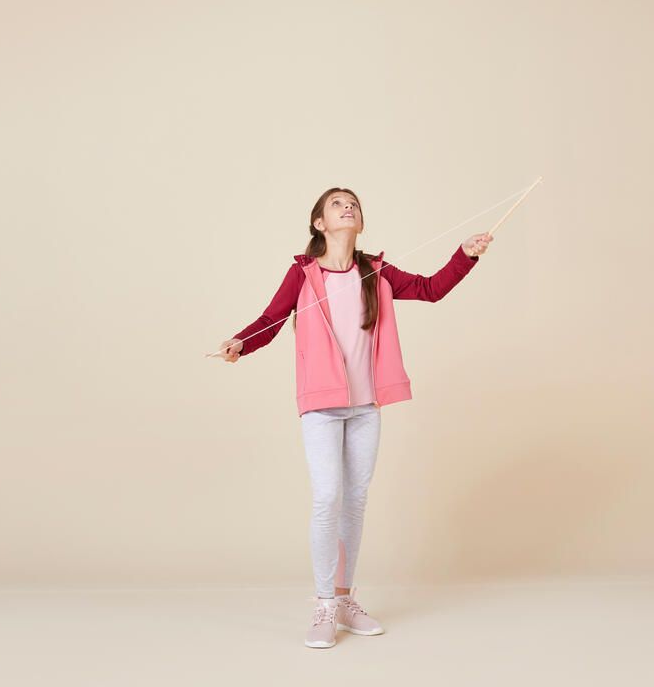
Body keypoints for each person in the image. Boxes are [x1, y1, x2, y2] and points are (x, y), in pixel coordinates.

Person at [210, 187, 492, 648]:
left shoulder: (376, 271)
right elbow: (271, 319)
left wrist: (465, 254)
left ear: (359, 221)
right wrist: (241, 342)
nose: (348, 207)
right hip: (320, 406)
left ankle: (344, 601)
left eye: (354, 203)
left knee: (355, 502)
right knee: (328, 498)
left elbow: (431, 289)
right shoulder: (302, 274)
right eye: (337, 203)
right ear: (319, 223)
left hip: (365, 407)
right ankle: (323, 604)